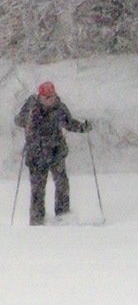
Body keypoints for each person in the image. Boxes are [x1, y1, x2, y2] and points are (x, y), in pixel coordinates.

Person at [14, 82, 91, 225]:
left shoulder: (60, 107)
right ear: (40, 96)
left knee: (62, 184)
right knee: (37, 189)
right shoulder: (31, 106)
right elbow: (18, 120)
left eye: (52, 96)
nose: (50, 100)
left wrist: (82, 127)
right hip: (36, 155)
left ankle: (63, 217)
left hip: (56, 152)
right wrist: (26, 119)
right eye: (47, 97)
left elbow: (69, 123)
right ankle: (37, 221)